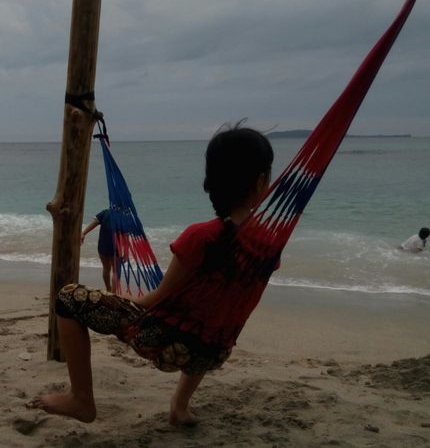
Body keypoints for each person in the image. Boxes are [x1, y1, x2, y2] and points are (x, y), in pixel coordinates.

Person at [29, 123, 275, 427]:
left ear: (211, 182)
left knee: (68, 298)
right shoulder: (267, 247)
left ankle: (81, 399)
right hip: (214, 351)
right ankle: (179, 406)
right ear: (262, 182)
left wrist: (123, 300)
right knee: (207, 311)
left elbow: (157, 299)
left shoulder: (200, 237)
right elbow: (220, 298)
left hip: (165, 343)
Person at [80, 209, 116, 292]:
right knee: (116, 272)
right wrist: (126, 251)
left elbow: (93, 224)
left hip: (103, 246)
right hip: (116, 247)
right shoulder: (123, 215)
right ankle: (114, 293)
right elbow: (125, 236)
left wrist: (83, 233)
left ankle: (108, 289)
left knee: (106, 269)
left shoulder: (105, 213)